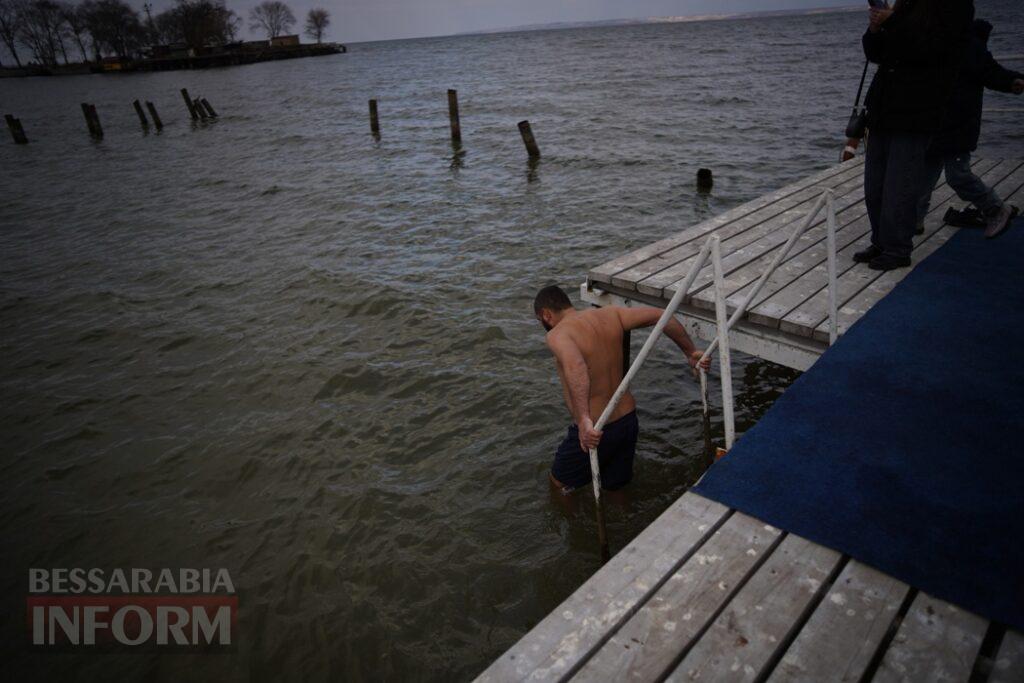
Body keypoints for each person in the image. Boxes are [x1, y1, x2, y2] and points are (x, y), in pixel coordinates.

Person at [533, 285, 710, 495]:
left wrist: (583, 421)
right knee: (616, 489)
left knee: (558, 485)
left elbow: (577, 367)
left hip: (597, 428)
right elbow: (662, 316)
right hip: (627, 421)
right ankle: (625, 523)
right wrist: (690, 352)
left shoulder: (558, 334)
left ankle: (575, 527)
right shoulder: (610, 314)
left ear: (546, 314)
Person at [856, 0, 974, 271]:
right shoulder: (905, 5)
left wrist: (892, 21)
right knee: (875, 185)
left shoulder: (954, 7)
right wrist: (875, 29)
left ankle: (897, 248)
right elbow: (877, 54)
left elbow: (931, 49)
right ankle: (881, 241)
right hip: (884, 110)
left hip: (916, 111)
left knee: (900, 184)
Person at [917, 19, 1024, 239]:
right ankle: (913, 220)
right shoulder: (947, 45)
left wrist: (1014, 81)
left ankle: (994, 208)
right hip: (938, 125)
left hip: (958, 125)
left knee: (957, 175)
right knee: (924, 177)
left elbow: (992, 73)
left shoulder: (968, 48)